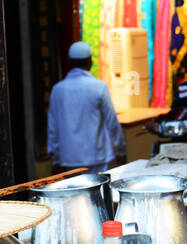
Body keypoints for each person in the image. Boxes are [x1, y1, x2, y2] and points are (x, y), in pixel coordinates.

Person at [46, 41, 127, 174]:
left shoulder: (58, 90)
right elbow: (112, 122)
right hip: (98, 158)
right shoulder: (99, 87)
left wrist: (55, 159)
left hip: (69, 160)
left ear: (70, 62)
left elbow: (52, 128)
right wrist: (121, 150)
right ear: (89, 62)